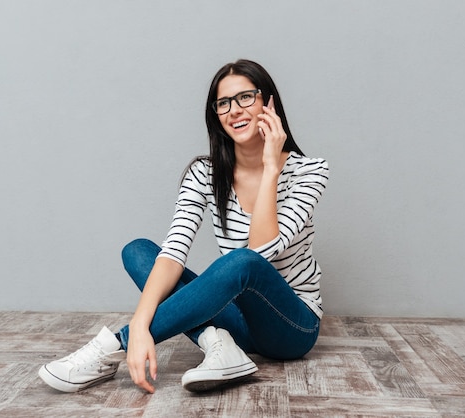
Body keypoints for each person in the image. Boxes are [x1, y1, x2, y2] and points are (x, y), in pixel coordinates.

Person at [38, 59, 329, 394]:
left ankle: (112, 347)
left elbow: (262, 251)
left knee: (243, 262)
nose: (235, 110)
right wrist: (143, 321)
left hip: (291, 326)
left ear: (269, 103)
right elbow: (175, 250)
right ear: (216, 116)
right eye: (224, 103)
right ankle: (220, 345)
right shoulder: (205, 173)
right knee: (139, 252)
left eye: (246, 97)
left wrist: (269, 166)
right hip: (235, 319)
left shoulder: (309, 171)